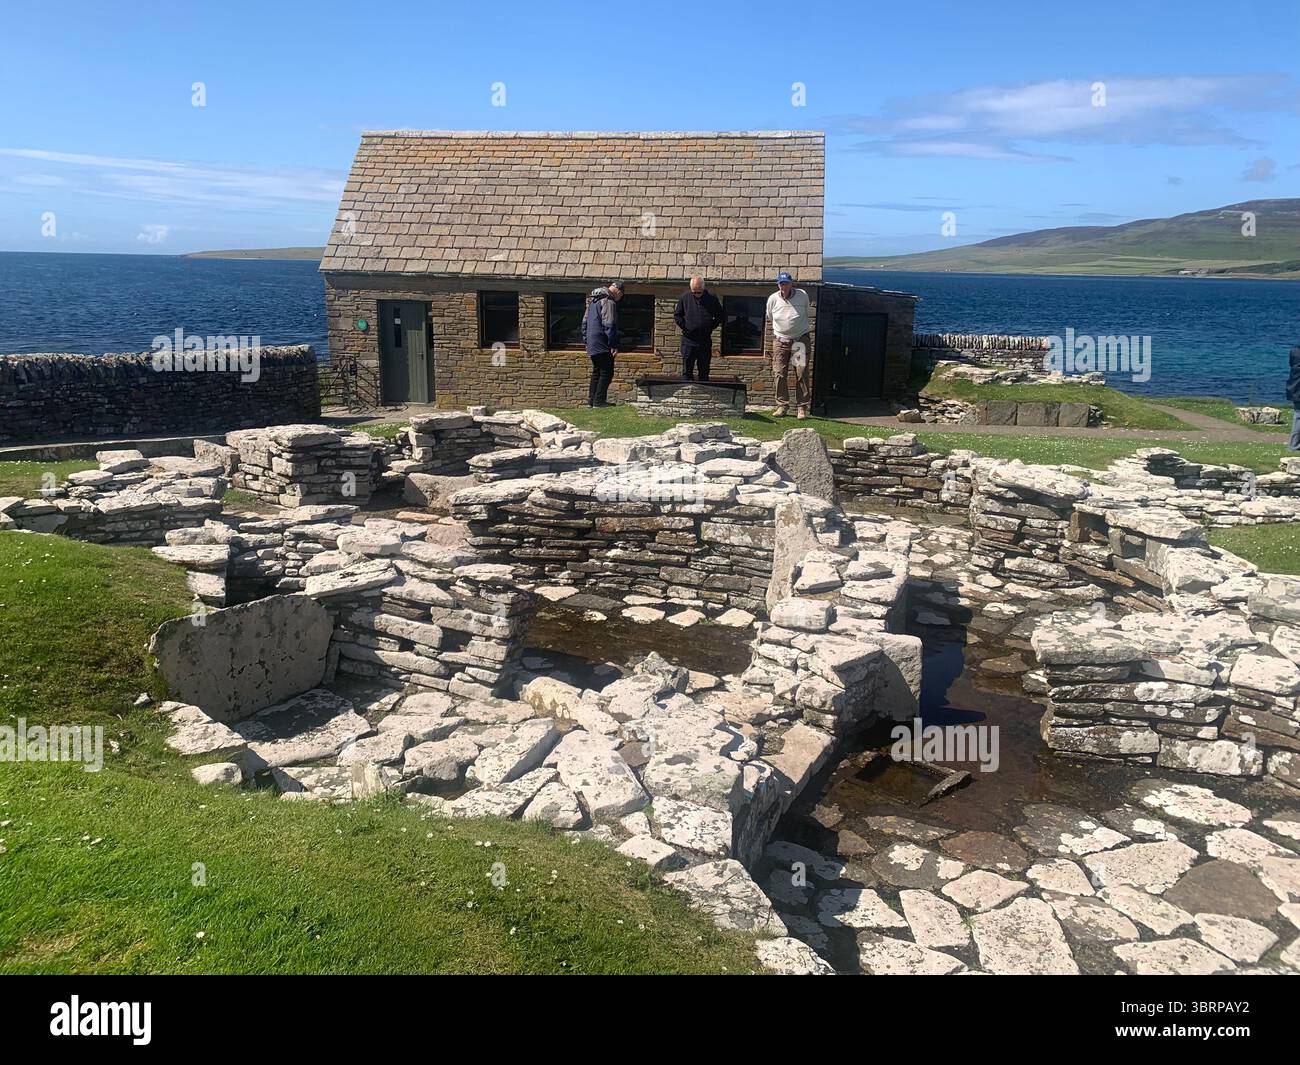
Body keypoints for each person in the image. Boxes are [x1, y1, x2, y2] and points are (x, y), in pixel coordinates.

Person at [765, 270, 812, 418]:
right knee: (779, 373)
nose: (783, 287)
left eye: (786, 284)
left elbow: (806, 311)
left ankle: (801, 407)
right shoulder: (773, 299)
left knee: (801, 372)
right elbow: (770, 316)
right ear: (778, 285)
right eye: (781, 284)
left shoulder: (802, 295)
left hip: (799, 340)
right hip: (781, 341)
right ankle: (782, 405)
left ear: (791, 284)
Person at [673, 276, 723, 381]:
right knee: (687, 372)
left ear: (703, 289)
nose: (696, 295)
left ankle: (704, 396)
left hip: (704, 341)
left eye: (699, 292)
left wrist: (710, 327)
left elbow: (720, 315)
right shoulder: (684, 297)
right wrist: (686, 327)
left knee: (704, 372)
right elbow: (677, 315)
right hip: (688, 341)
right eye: (694, 293)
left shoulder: (712, 298)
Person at [583, 280, 624, 407]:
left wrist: (586, 340)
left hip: (592, 341)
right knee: (607, 371)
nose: (619, 299)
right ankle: (599, 401)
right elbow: (609, 323)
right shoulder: (608, 301)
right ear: (618, 291)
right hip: (602, 341)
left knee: (597, 371)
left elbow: (584, 323)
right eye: (621, 295)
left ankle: (591, 401)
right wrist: (613, 344)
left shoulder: (593, 301)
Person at [1288, 344, 1300, 450]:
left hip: (1294, 388)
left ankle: (1294, 444)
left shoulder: (1294, 351)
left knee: (1298, 416)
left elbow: (1291, 362)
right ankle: (1294, 445)